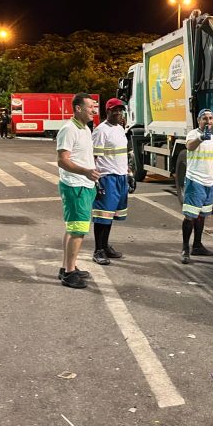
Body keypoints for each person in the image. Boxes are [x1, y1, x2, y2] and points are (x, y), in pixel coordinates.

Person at [56, 93, 100, 289]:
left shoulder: (85, 129)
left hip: (85, 184)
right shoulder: (69, 129)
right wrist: (85, 172)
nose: (94, 110)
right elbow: (62, 160)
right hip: (76, 186)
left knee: (72, 228)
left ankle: (67, 267)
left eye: (94, 106)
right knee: (78, 231)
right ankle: (69, 273)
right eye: (90, 106)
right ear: (78, 108)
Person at [90, 98, 135, 264]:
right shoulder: (101, 131)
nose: (117, 113)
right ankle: (98, 250)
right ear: (107, 111)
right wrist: (96, 180)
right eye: (114, 110)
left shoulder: (119, 129)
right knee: (102, 216)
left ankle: (105, 246)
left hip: (120, 177)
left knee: (110, 216)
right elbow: (92, 157)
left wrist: (129, 174)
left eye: (120, 110)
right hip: (106, 178)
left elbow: (122, 154)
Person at [180, 108, 213, 264]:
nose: (208, 121)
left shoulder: (212, 138)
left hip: (208, 182)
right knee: (190, 216)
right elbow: (189, 146)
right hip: (195, 181)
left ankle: (197, 245)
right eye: (205, 118)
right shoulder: (194, 134)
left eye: (211, 118)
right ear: (199, 120)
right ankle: (185, 249)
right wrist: (200, 138)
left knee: (201, 216)